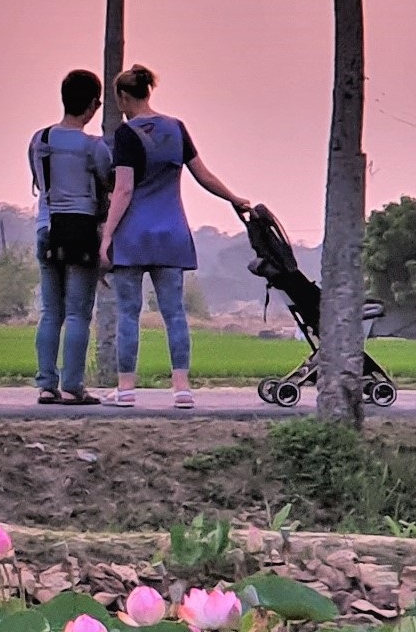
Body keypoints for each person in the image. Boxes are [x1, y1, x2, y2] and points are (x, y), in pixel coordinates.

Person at [96, 65, 250, 408]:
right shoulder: (176, 128)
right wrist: (234, 198)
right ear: (148, 91)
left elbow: (122, 191)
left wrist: (106, 238)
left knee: (128, 313)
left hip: (134, 234)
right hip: (172, 233)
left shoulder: (126, 134)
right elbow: (203, 175)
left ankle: (126, 389)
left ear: (123, 97)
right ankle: (182, 389)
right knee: (175, 313)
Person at [28, 69, 109, 405]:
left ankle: (46, 384)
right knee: (78, 313)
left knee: (51, 312)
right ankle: (73, 387)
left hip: (47, 228)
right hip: (82, 230)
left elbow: (37, 180)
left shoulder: (41, 139)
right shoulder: (94, 147)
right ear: (93, 105)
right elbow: (108, 183)